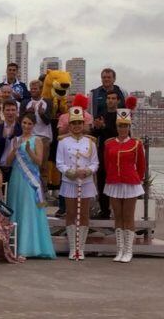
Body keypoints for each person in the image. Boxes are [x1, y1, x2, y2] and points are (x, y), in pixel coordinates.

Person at [5, 113, 56, 259]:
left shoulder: (37, 140)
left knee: (29, 210)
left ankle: (28, 247)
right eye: (24, 123)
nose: (26, 126)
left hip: (31, 180)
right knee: (17, 208)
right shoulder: (15, 140)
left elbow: (39, 162)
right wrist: (14, 150)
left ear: (33, 125)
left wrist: (29, 151)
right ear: (21, 123)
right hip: (16, 177)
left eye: (29, 124)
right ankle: (14, 246)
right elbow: (8, 162)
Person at [56, 107, 99, 260]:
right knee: (71, 213)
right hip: (69, 181)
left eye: (79, 123)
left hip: (86, 182)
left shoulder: (90, 142)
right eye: (73, 123)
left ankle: (81, 248)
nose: (76, 126)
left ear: (83, 124)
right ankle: (72, 247)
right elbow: (59, 163)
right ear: (69, 124)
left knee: (85, 214)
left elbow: (95, 163)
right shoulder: (63, 142)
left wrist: (87, 171)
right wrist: (70, 172)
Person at [104, 107, 145, 263]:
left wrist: (137, 179)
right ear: (117, 127)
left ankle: (128, 250)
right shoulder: (109, 144)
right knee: (117, 217)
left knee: (128, 217)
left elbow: (141, 165)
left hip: (130, 183)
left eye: (125, 126)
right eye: (120, 125)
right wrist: (112, 176)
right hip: (114, 182)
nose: (122, 128)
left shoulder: (136, 144)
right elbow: (107, 164)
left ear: (129, 127)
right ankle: (120, 250)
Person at [92, 90, 121, 219]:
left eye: (113, 98)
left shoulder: (121, 115)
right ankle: (104, 211)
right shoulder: (101, 114)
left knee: (115, 182)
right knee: (101, 182)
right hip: (103, 152)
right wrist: (97, 128)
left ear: (118, 100)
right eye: (108, 98)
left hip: (117, 154)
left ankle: (118, 211)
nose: (110, 100)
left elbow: (121, 134)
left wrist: (103, 127)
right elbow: (95, 135)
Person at [0, 100, 22, 183]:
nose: (10, 113)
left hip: (16, 168)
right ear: (3, 111)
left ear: (17, 111)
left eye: (13, 110)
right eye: (8, 110)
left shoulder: (21, 129)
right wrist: (3, 138)